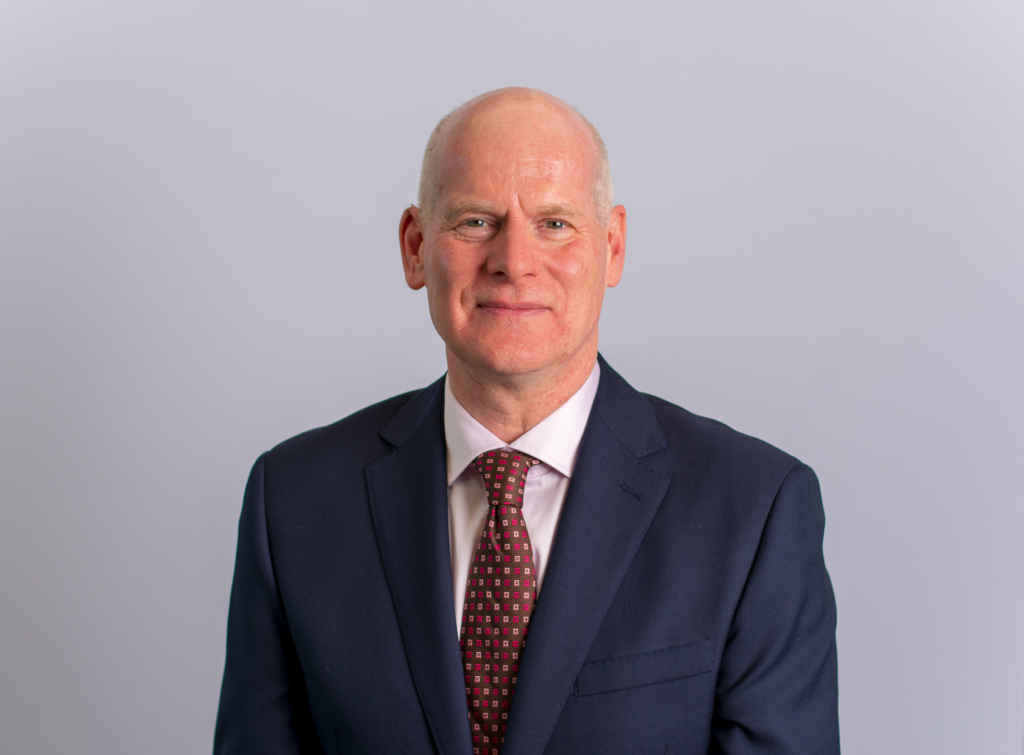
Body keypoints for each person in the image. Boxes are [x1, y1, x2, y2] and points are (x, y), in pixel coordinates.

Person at [213, 87, 839, 755]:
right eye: (475, 221)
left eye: (555, 223)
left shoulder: (753, 509)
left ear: (613, 246)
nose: (514, 261)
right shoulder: (293, 500)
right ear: (415, 247)